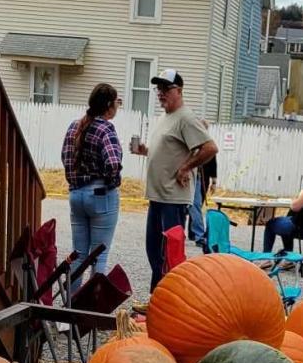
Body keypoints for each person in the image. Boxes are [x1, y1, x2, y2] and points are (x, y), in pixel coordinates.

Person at [129, 70, 217, 287]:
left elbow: (210, 148)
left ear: (179, 90)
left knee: (170, 253)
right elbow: (169, 152)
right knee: (153, 250)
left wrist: (186, 168)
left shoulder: (186, 118)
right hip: (157, 196)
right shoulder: (165, 117)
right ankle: (157, 298)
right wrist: (145, 151)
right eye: (159, 89)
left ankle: (172, 302)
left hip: (173, 199)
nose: (161, 93)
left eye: (166, 89)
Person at [60, 83, 123, 294]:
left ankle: (69, 310)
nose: (117, 106)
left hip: (76, 194)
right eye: (117, 102)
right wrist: (110, 180)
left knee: (78, 253)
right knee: (99, 256)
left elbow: (66, 158)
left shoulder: (74, 126)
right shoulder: (105, 128)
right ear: (108, 105)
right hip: (100, 195)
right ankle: (92, 311)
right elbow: (113, 163)